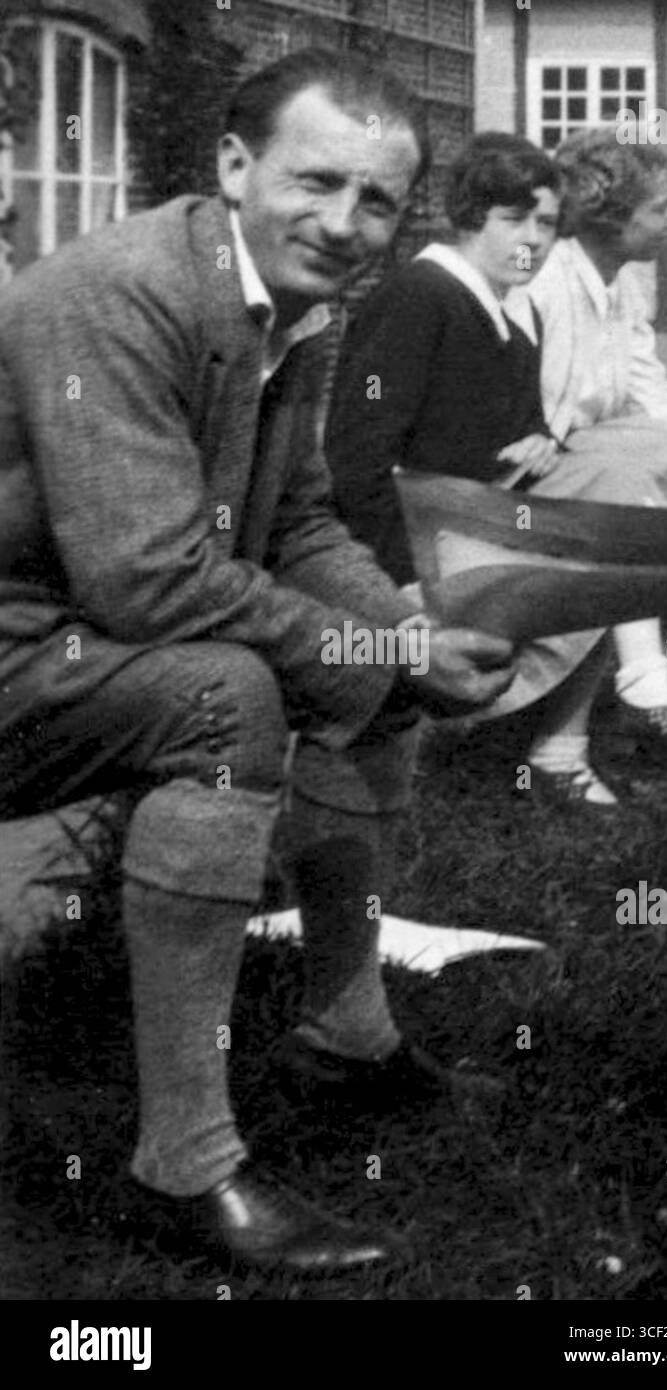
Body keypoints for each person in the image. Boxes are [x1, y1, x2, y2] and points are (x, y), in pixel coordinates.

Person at [0, 49, 516, 1274]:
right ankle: (186, 1163)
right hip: (25, 640)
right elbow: (150, 577)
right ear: (235, 166)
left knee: (376, 656)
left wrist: (400, 635)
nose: (344, 225)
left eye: (377, 201)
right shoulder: (115, 292)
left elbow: (294, 527)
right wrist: (374, 640)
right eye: (315, 181)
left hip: (70, 641)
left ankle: (344, 1028)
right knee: (222, 699)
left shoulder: (297, 305)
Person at [326, 132, 667, 809]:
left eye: (545, 223)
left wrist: (537, 442)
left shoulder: (507, 309)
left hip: (475, 527)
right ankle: (569, 721)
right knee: (615, 527)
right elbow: (356, 465)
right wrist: (395, 594)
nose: (533, 240)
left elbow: (502, 431)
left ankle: (565, 743)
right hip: (410, 563)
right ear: (467, 217)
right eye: (514, 220)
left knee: (641, 504)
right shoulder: (419, 297)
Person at [507, 126, 667, 770]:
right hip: (525, 485)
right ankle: (647, 685)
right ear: (609, 220)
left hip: (596, 464)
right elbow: (529, 423)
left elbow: (653, 403)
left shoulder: (623, 286)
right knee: (640, 489)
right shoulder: (545, 283)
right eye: (658, 210)